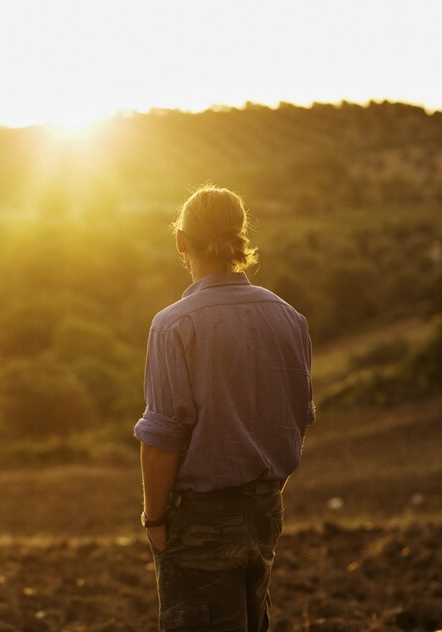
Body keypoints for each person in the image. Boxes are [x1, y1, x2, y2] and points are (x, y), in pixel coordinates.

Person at [135, 185, 315, 632]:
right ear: (240, 239)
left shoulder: (173, 324)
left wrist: (155, 520)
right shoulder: (289, 318)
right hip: (265, 512)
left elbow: (161, 441)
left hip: (200, 518)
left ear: (181, 241)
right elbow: (296, 420)